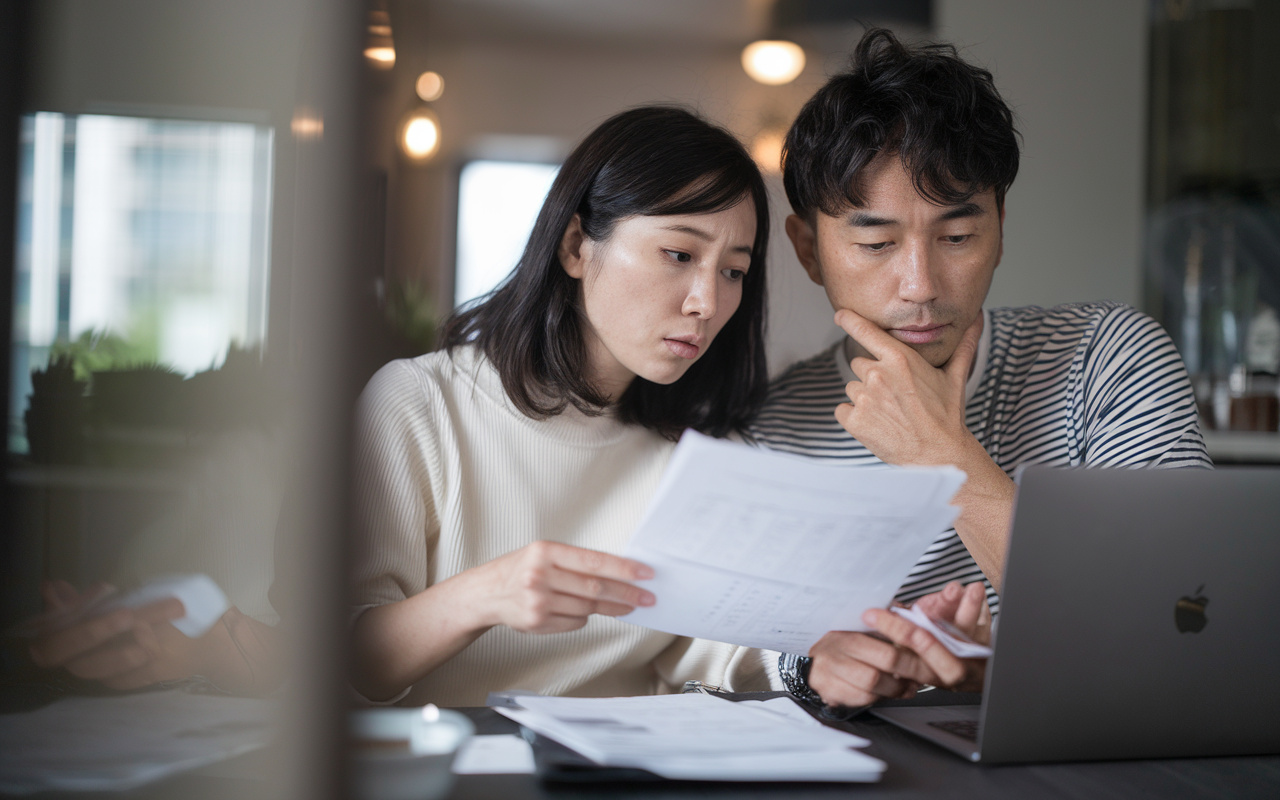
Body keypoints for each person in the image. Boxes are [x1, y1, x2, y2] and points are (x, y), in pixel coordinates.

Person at [746, 29, 1212, 712]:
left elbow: (1179, 626)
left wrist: (945, 458)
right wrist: (816, 668)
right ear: (809, 250)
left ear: (1000, 225)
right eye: (876, 243)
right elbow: (767, 645)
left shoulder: (1107, 359)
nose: (921, 285)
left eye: (957, 236)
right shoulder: (772, 426)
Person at [349, 106, 778, 706]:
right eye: (680, 255)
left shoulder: (699, 449)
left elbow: (721, 648)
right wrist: (484, 595)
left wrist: (822, 659)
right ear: (577, 246)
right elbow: (338, 658)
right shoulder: (419, 406)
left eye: (734, 271)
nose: (707, 301)